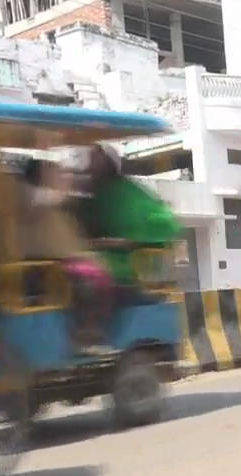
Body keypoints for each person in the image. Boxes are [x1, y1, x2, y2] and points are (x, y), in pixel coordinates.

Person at [21, 157, 115, 355]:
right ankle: (84, 338)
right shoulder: (27, 194)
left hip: (59, 262)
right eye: (54, 173)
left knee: (104, 277)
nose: (60, 177)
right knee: (88, 282)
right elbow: (56, 197)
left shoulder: (54, 205)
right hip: (40, 266)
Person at [78, 144, 182, 291]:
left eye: (95, 160)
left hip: (123, 276)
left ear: (109, 164)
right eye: (90, 160)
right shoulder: (93, 196)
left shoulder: (127, 193)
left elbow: (167, 223)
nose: (90, 166)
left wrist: (131, 241)